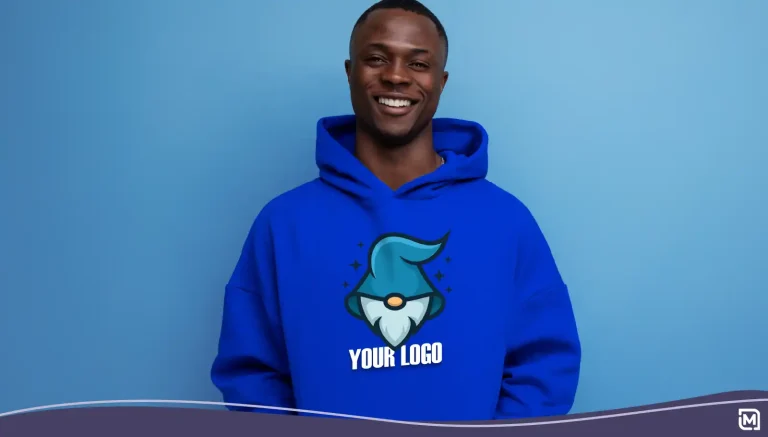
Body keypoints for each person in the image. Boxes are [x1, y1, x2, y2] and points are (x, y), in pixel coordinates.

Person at [211, 0, 581, 422]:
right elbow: (252, 374)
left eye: (418, 64)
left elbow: (545, 365)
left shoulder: (505, 220)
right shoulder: (282, 224)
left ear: (441, 82)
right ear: (351, 72)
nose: (396, 75)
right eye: (376, 59)